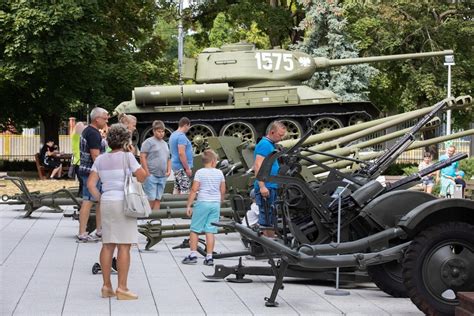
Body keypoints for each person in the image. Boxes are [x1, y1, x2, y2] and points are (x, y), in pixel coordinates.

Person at [87, 123, 147, 300]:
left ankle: (106, 286)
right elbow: (142, 176)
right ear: (125, 140)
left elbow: (91, 184)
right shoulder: (127, 157)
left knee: (107, 244)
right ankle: (122, 288)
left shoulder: (100, 159)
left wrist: (101, 197)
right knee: (124, 245)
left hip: (107, 201)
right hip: (123, 202)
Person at [182, 149, 225, 266]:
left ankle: (193, 255)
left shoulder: (200, 172)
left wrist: (189, 205)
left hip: (202, 202)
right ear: (213, 161)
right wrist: (219, 201)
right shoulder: (220, 173)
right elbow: (222, 190)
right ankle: (209, 257)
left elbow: (194, 189)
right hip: (215, 204)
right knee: (210, 231)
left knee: (195, 229)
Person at [77, 107, 108, 242]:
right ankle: (82, 232)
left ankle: (100, 230)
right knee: (88, 201)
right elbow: (95, 156)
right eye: (105, 118)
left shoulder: (89, 131)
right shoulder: (93, 134)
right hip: (91, 173)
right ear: (97, 119)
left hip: (89, 170)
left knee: (99, 201)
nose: (107, 120)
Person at [252, 121, 287, 238]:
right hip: (266, 186)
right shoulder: (264, 145)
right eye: (280, 135)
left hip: (271, 185)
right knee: (267, 218)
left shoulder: (270, 144)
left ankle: (271, 244)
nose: (281, 138)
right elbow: (257, 165)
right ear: (272, 132)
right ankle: (269, 246)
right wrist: (262, 186)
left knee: (270, 218)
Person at [140, 120, 171, 210]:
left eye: (162, 131)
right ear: (154, 131)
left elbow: (168, 158)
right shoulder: (148, 142)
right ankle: (147, 219)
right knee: (151, 198)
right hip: (151, 175)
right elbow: (142, 156)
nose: (161, 134)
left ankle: (156, 219)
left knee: (158, 198)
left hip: (162, 176)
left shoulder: (165, 144)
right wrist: (147, 172)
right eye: (159, 131)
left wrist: (169, 171)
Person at [169, 117, 193, 194]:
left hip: (175, 166)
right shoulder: (181, 136)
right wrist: (187, 168)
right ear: (186, 125)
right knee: (185, 190)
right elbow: (181, 153)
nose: (188, 129)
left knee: (177, 188)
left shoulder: (173, 135)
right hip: (181, 167)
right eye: (189, 126)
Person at [71, 122, 86, 195]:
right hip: (79, 162)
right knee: (83, 182)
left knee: (82, 183)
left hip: (79, 162)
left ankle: (80, 195)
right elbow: (78, 127)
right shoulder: (76, 137)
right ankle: (81, 197)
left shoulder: (80, 138)